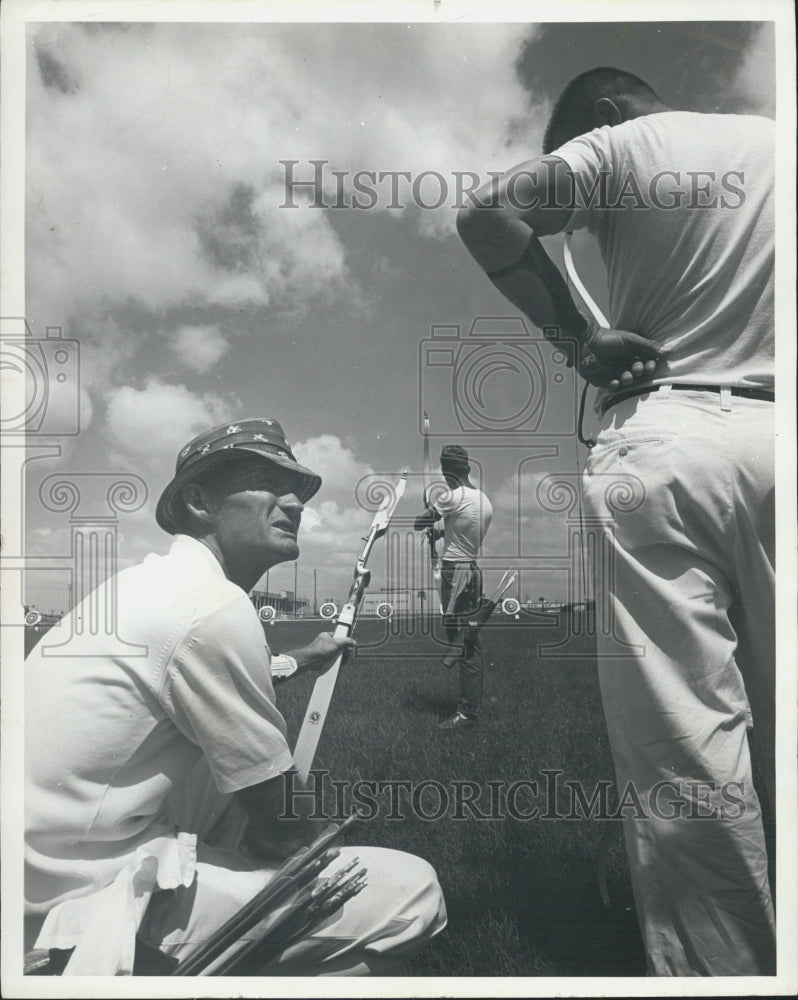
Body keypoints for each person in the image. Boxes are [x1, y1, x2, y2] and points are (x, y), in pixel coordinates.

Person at [456, 67, 775, 975]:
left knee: (685, 743)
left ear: (602, 113)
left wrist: (580, 342)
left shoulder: (621, 143)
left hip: (673, 441)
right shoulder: (772, 144)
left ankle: (728, 972)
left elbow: (489, 214)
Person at [25, 418, 447, 976]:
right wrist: (303, 848)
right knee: (413, 894)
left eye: (299, 489)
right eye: (266, 482)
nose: (295, 502)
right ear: (199, 502)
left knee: (216, 774)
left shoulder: (154, 587)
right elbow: (282, 826)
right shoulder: (211, 607)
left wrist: (303, 659)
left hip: (34, 873)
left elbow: (190, 684)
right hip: (71, 910)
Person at [415, 445, 493, 731]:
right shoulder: (482, 499)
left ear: (447, 473)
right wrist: (441, 529)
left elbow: (417, 523)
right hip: (471, 569)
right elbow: (462, 527)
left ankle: (467, 712)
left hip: (456, 574)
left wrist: (430, 511)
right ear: (467, 468)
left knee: (464, 645)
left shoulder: (452, 497)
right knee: (466, 641)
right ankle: (468, 707)